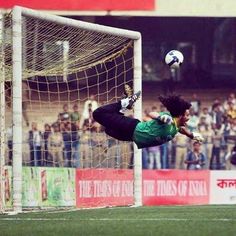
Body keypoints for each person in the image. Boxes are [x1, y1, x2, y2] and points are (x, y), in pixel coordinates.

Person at [93, 88, 204, 149]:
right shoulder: (169, 119)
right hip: (132, 128)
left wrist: (191, 135)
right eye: (187, 115)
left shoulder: (176, 127)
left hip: (130, 137)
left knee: (108, 129)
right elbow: (152, 114)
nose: (189, 118)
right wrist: (162, 117)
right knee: (97, 114)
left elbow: (181, 130)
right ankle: (125, 102)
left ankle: (123, 109)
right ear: (180, 115)